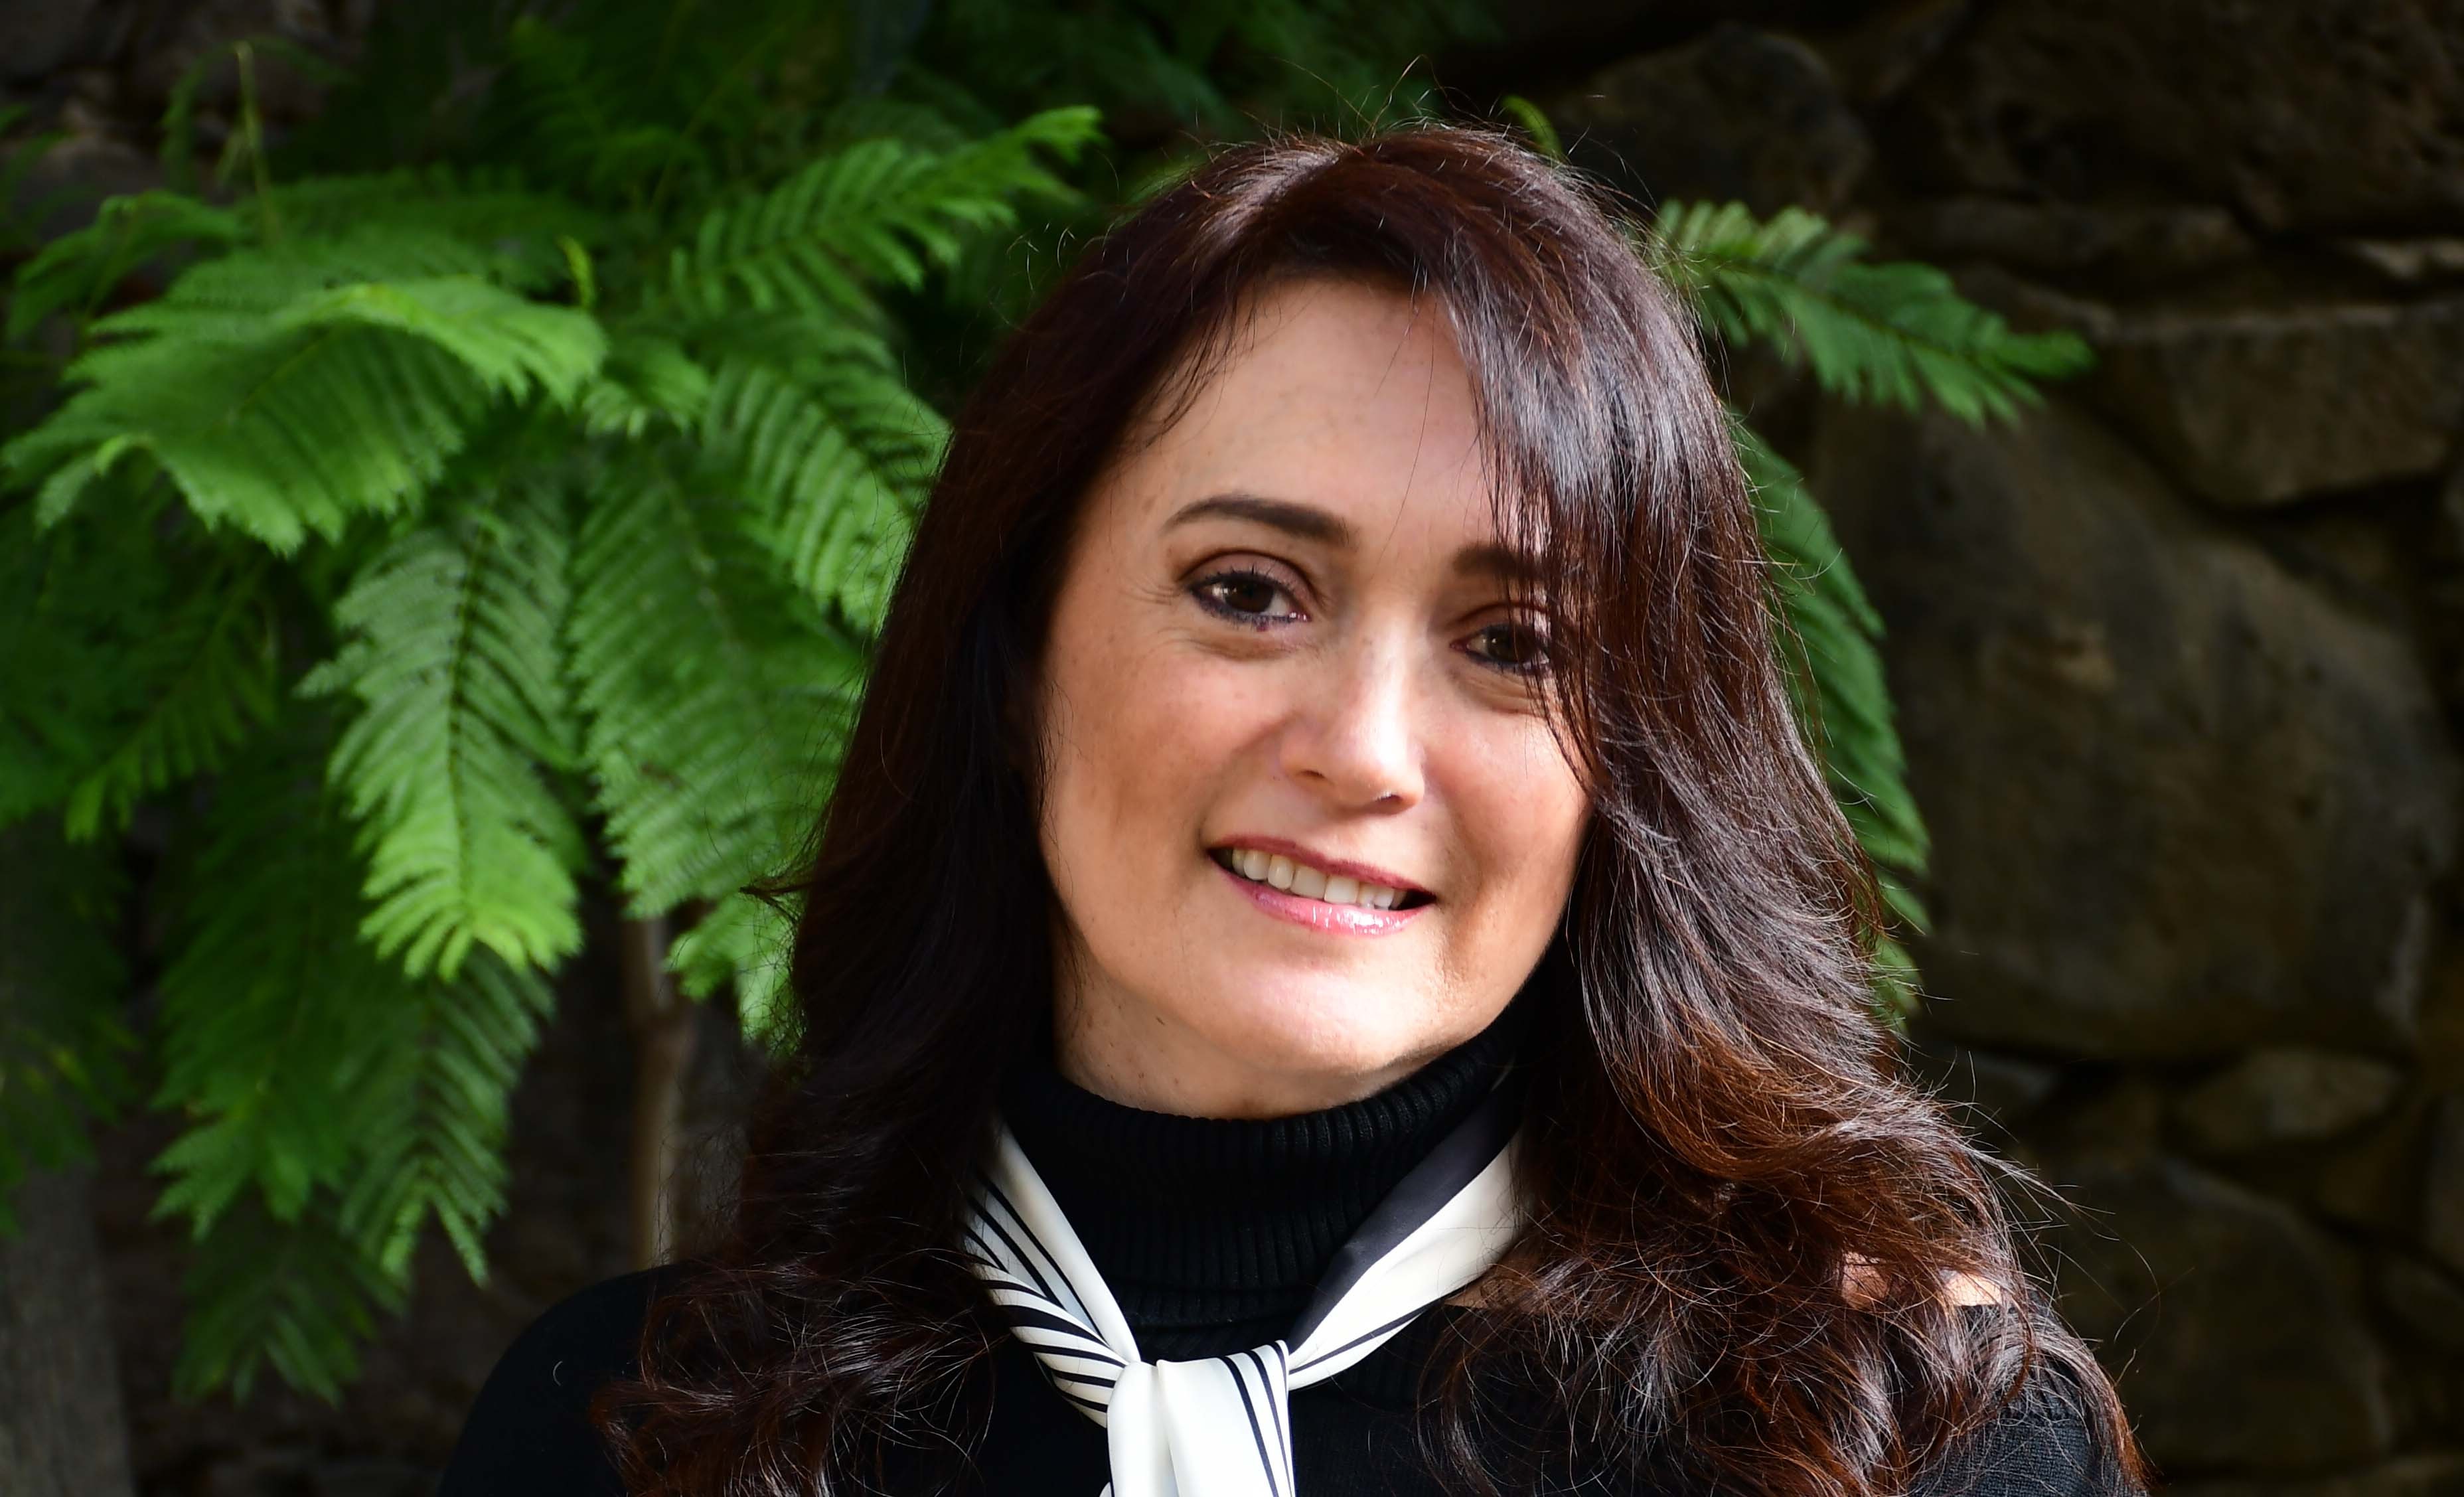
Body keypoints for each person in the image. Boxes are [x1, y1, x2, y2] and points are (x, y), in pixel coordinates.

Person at [440, 124, 2151, 1497]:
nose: (1364, 751)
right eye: (1250, 592)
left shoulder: (1899, 1446)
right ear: (1014, 656)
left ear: (1629, 761)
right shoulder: (629, 1435)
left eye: (1514, 644)